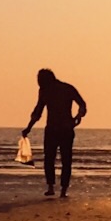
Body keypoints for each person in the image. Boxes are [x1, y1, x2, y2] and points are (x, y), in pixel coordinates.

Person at [23, 69, 87, 198]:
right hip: (61, 129)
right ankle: (59, 189)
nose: (38, 82)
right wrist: (78, 116)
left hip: (58, 129)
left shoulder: (53, 90)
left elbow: (38, 111)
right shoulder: (64, 89)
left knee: (52, 159)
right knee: (62, 160)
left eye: (39, 79)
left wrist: (29, 127)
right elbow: (82, 105)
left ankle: (54, 187)